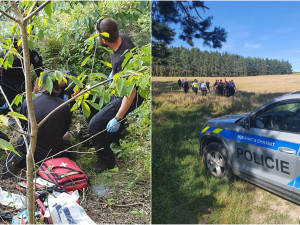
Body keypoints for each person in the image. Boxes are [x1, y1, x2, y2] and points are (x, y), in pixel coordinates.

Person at [88, 18, 144, 174]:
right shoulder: (122, 37)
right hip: (122, 88)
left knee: (94, 125)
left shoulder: (122, 60)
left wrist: (118, 118)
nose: (96, 36)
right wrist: (113, 74)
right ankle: (113, 139)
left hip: (131, 96)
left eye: (97, 34)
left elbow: (131, 93)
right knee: (98, 104)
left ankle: (107, 162)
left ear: (104, 40)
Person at [1, 70, 72, 179]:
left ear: (42, 84)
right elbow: (63, 131)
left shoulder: (28, 101)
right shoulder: (65, 107)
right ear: (58, 85)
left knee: (22, 141)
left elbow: (23, 125)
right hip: (53, 155)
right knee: (66, 140)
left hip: (30, 152)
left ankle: (15, 162)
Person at [0, 37, 43, 115]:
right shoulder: (2, 55)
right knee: (3, 110)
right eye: (9, 52)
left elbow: (40, 73)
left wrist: (35, 91)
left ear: (19, 46)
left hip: (23, 87)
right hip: (6, 87)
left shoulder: (29, 52)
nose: (12, 55)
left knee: (27, 110)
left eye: (14, 51)